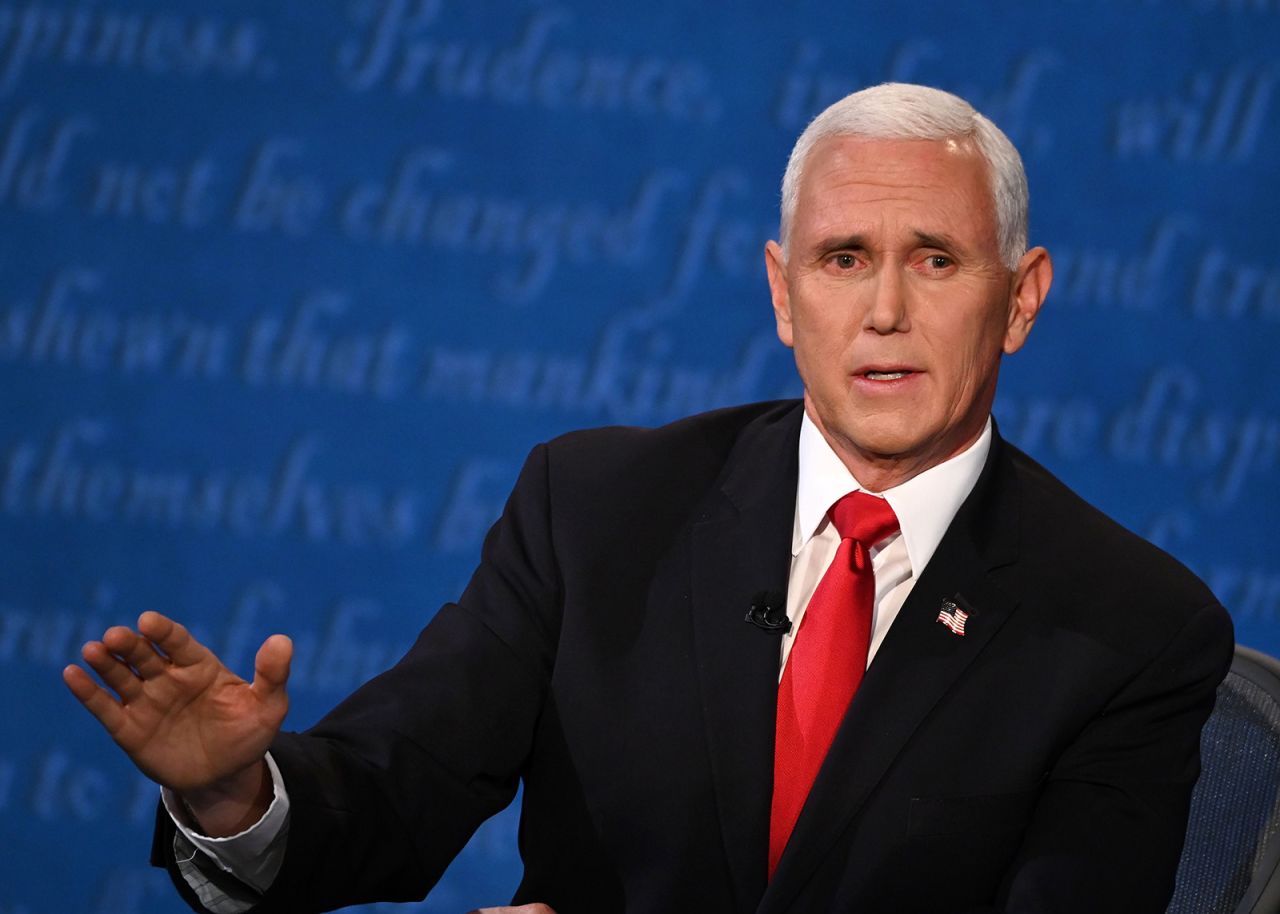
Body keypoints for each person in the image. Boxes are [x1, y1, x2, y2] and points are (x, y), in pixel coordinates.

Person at [63, 83, 1234, 914]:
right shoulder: (598, 508)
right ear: (782, 296)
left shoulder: (1130, 624)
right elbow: (399, 784)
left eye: (933, 257)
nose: (883, 309)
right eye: (841, 259)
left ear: (1019, 300)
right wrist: (233, 792)